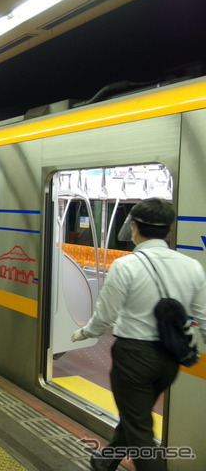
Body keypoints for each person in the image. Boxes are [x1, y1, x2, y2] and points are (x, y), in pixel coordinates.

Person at [71, 198, 206, 471]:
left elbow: (105, 315)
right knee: (136, 414)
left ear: (133, 228)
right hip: (170, 359)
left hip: (133, 357)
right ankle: (105, 462)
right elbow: (203, 317)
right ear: (168, 231)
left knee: (139, 428)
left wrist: (86, 332)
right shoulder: (192, 266)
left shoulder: (126, 266)